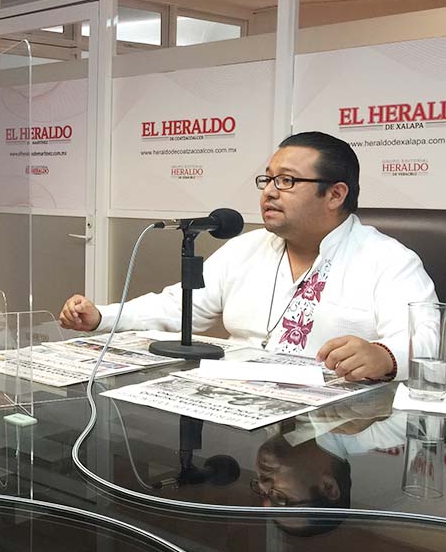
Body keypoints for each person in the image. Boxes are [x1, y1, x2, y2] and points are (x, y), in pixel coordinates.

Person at [59, 132, 437, 381]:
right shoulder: (247, 248)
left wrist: (383, 356)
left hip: (336, 426)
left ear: (335, 194)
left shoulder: (387, 259)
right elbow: (180, 307)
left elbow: (425, 340)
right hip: (239, 409)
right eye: (268, 179)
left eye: (287, 181)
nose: (269, 192)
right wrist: (102, 317)